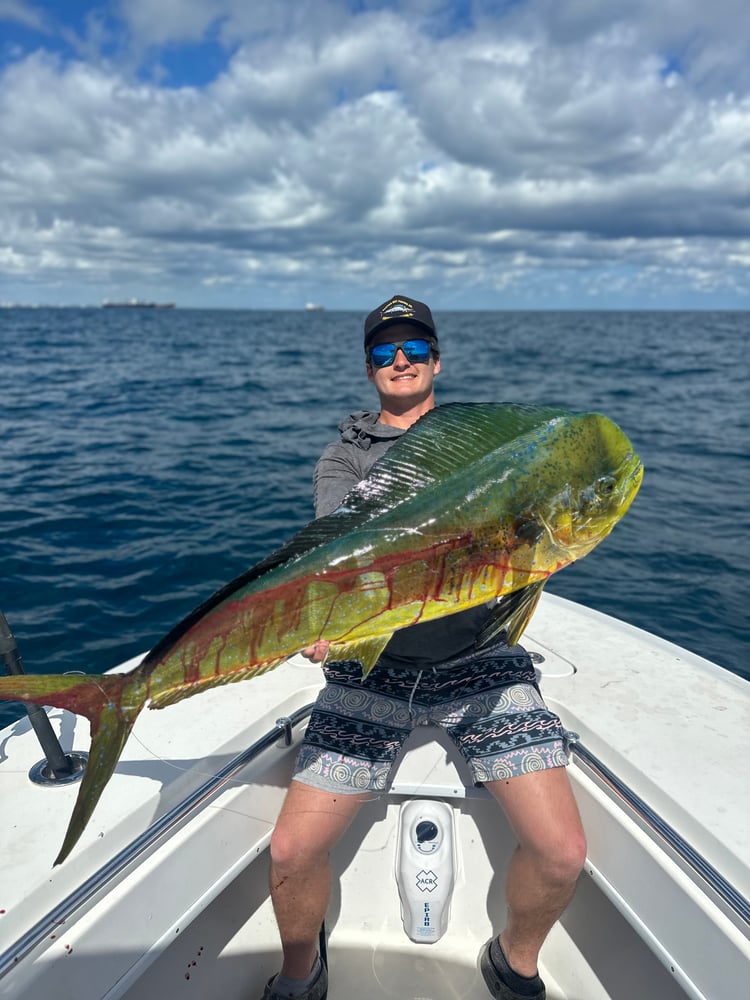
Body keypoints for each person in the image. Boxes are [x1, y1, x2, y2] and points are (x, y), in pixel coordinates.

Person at [261, 295, 586, 1000]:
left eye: (413, 349)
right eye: (384, 352)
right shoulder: (344, 458)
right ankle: (300, 972)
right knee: (290, 850)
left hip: (482, 660)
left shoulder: (489, 446)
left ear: (436, 361)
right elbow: (344, 542)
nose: (399, 360)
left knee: (562, 854)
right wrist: (329, 615)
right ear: (368, 368)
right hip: (371, 663)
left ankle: (515, 962)